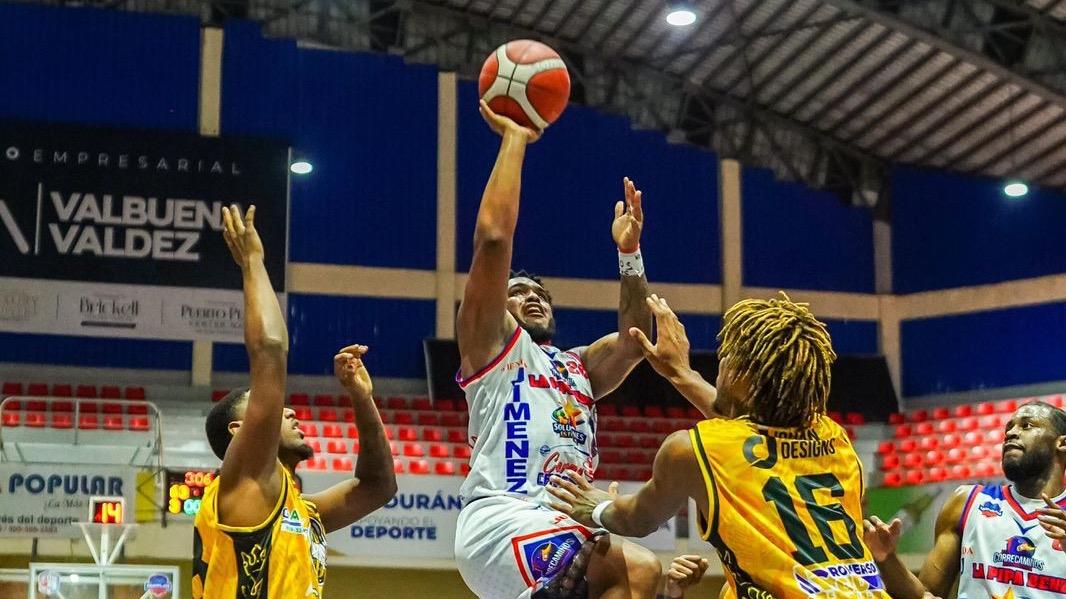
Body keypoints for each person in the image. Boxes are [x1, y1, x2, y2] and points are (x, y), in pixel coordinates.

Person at [547, 293, 891, 597]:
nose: (721, 363)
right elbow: (748, 424)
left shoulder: (693, 448)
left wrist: (599, 506)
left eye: (728, 356)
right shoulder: (834, 436)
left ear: (743, 374)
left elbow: (637, 521)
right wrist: (680, 372)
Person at [453, 100, 661, 599]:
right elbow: (493, 240)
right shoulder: (492, 349)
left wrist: (629, 255)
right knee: (625, 564)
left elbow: (637, 338)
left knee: (645, 575)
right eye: (518, 292)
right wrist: (515, 140)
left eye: (541, 294)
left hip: (563, 517)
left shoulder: (578, 366)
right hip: (502, 518)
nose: (532, 297)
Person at [192, 204, 396, 598]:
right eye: (265, 408)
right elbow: (269, 353)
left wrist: (362, 399)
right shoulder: (241, 484)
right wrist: (252, 263)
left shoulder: (303, 511)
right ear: (240, 431)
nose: (287, 410)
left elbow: (378, 486)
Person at [864, 401, 1066, 599]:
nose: (1011, 433)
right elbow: (926, 594)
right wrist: (887, 559)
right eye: (1009, 427)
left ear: (1062, 443)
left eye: (1027, 426)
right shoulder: (967, 502)